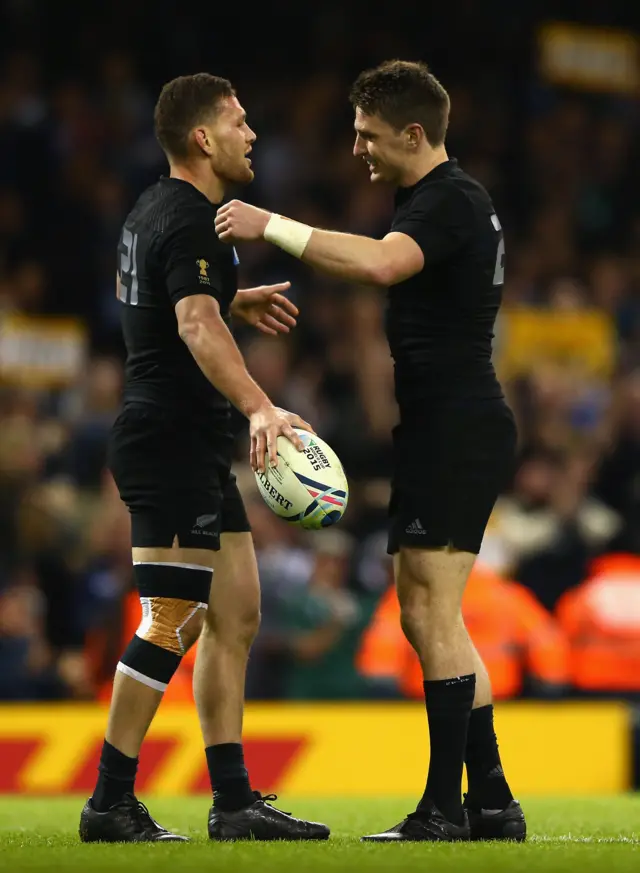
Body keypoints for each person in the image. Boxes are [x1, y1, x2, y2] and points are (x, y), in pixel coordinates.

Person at [215, 60, 525, 843]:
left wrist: (271, 225)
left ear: (414, 133)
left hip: (456, 425)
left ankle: (445, 808)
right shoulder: (437, 200)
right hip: (441, 425)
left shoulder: (449, 200)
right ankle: (490, 799)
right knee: (429, 619)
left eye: (368, 134)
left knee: (431, 612)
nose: (357, 149)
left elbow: (385, 263)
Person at [79, 73, 329, 844]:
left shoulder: (158, 209)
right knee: (173, 618)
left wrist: (229, 300)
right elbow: (190, 326)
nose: (253, 134)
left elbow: (176, 306)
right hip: (169, 437)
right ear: (203, 138)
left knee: (238, 611)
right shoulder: (191, 219)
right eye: (240, 122)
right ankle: (109, 802)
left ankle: (233, 801)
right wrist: (260, 403)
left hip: (186, 440)